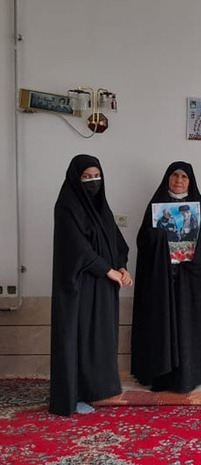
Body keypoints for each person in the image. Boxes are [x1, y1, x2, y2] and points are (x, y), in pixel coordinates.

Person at [50, 154, 133, 416]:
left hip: (104, 286)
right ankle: (71, 397)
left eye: (97, 176)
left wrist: (122, 267)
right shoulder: (67, 206)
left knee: (97, 340)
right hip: (80, 287)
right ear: (76, 178)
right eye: (86, 177)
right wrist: (108, 270)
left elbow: (116, 241)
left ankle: (92, 391)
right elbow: (77, 248)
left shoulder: (101, 207)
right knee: (77, 339)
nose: (93, 181)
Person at [131, 162, 201, 393]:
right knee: (162, 325)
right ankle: (162, 376)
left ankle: (190, 374)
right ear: (167, 179)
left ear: (190, 181)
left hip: (190, 280)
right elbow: (143, 242)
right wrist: (159, 240)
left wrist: (191, 261)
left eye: (184, 177)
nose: (179, 180)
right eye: (174, 176)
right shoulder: (156, 206)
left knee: (188, 327)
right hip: (162, 279)